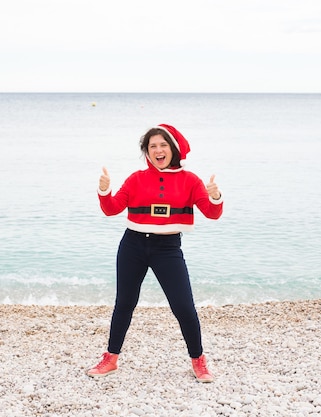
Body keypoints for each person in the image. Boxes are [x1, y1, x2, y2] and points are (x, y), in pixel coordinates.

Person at [87, 124, 223, 383]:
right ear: (146, 152)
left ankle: (199, 361)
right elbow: (112, 208)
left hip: (168, 249)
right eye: (152, 146)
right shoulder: (136, 178)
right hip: (133, 245)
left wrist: (215, 196)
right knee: (124, 303)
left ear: (173, 149)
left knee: (183, 307)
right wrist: (104, 190)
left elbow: (213, 213)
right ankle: (111, 358)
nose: (158, 150)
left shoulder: (190, 180)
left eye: (162, 145)